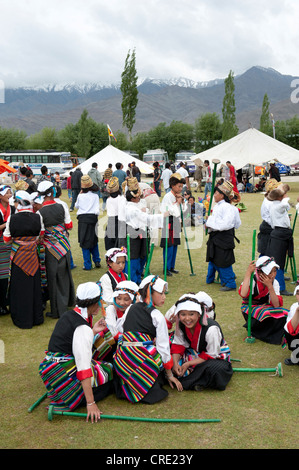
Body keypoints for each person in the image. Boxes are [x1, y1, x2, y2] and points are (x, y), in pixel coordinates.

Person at [38, 282, 113, 422]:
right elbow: (83, 368)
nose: (101, 304)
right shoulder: (82, 328)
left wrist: (93, 331)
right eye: (100, 301)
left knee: (100, 364)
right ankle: (75, 397)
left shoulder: (70, 315)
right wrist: (91, 403)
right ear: (93, 302)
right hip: (61, 370)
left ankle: (61, 391)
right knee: (108, 371)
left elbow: (72, 341)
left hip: (50, 367)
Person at [113, 275, 183, 403]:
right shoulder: (157, 315)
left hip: (123, 359)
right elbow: (163, 347)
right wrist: (170, 375)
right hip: (141, 356)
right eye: (161, 293)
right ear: (150, 292)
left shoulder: (130, 308)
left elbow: (120, 328)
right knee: (156, 352)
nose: (164, 297)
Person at [171, 293, 233, 391]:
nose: (187, 319)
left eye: (191, 314)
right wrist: (175, 364)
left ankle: (190, 381)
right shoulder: (181, 325)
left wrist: (187, 364)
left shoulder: (211, 329)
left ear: (199, 314)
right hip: (194, 352)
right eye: (183, 314)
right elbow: (178, 344)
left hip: (213, 356)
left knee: (216, 369)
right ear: (178, 315)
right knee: (168, 360)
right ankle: (195, 380)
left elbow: (212, 354)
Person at [3, 190, 44, 329]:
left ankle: (22, 318)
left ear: (18, 203)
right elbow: (40, 236)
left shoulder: (12, 218)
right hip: (32, 254)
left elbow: (6, 240)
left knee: (19, 287)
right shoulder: (38, 217)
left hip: (18, 255)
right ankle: (36, 316)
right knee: (33, 285)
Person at [37, 180, 75, 319]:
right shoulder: (62, 206)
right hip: (64, 246)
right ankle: (68, 302)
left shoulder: (40, 211)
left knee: (52, 277)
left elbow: (41, 233)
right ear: (52, 192)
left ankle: (56, 310)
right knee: (65, 275)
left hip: (50, 248)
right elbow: (69, 225)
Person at [239, 257, 289, 344]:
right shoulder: (253, 280)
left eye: (274, 271)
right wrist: (248, 273)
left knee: (286, 313)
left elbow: (276, 305)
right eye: (270, 272)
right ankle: (261, 333)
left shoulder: (275, 283)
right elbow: (243, 294)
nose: (273, 275)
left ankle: (281, 334)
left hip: (266, 307)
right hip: (250, 308)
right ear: (260, 272)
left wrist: (270, 287)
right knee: (265, 314)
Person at [125, 179, 166, 284]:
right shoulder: (130, 208)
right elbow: (146, 218)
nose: (139, 197)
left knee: (142, 257)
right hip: (133, 235)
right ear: (133, 198)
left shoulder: (136, 204)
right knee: (134, 260)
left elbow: (145, 211)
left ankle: (138, 279)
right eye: (137, 196)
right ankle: (133, 282)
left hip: (141, 233)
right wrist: (163, 217)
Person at [205, 181, 241, 291]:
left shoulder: (227, 208)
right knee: (214, 257)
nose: (214, 195)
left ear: (222, 195)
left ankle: (230, 282)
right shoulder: (219, 206)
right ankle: (210, 278)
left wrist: (209, 223)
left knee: (223, 260)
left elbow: (226, 224)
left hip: (223, 237)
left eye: (215, 193)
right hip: (217, 236)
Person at [266, 184, 293, 295]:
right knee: (279, 262)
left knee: (280, 261)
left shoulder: (275, 205)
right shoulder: (278, 205)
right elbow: (286, 203)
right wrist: (284, 193)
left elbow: (287, 206)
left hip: (280, 233)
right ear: (280, 197)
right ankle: (280, 287)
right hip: (280, 234)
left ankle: (280, 285)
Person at [160, 173, 187, 276]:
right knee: (169, 246)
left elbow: (183, 211)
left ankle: (172, 266)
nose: (181, 189)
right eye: (179, 186)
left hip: (176, 222)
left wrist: (183, 202)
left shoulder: (178, 196)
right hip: (168, 223)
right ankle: (165, 268)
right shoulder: (168, 197)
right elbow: (171, 211)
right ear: (173, 185)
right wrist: (178, 203)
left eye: (182, 186)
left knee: (175, 245)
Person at [75, 175, 101, 270]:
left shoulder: (80, 196)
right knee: (94, 240)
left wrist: (80, 194)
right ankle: (97, 260)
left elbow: (76, 206)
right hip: (93, 218)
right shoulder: (95, 196)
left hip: (83, 219)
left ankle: (87, 265)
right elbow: (97, 209)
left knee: (84, 241)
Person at [0, 185, 15, 315]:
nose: (9, 195)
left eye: (10, 193)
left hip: (10, 243)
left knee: (10, 274)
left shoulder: (13, 208)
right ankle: (2, 304)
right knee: (2, 275)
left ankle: (8, 302)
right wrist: (8, 223)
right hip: (0, 244)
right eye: (7, 193)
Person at [257, 179, 280, 257]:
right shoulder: (269, 202)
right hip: (269, 228)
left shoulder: (272, 199)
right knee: (266, 254)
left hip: (270, 227)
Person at [283, 284, 299, 365]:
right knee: (289, 331)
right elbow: (290, 330)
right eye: (298, 293)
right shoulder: (294, 306)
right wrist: (298, 311)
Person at [104, 177, 122, 250]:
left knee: (110, 244)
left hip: (111, 222)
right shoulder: (121, 199)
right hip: (119, 221)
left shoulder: (109, 200)